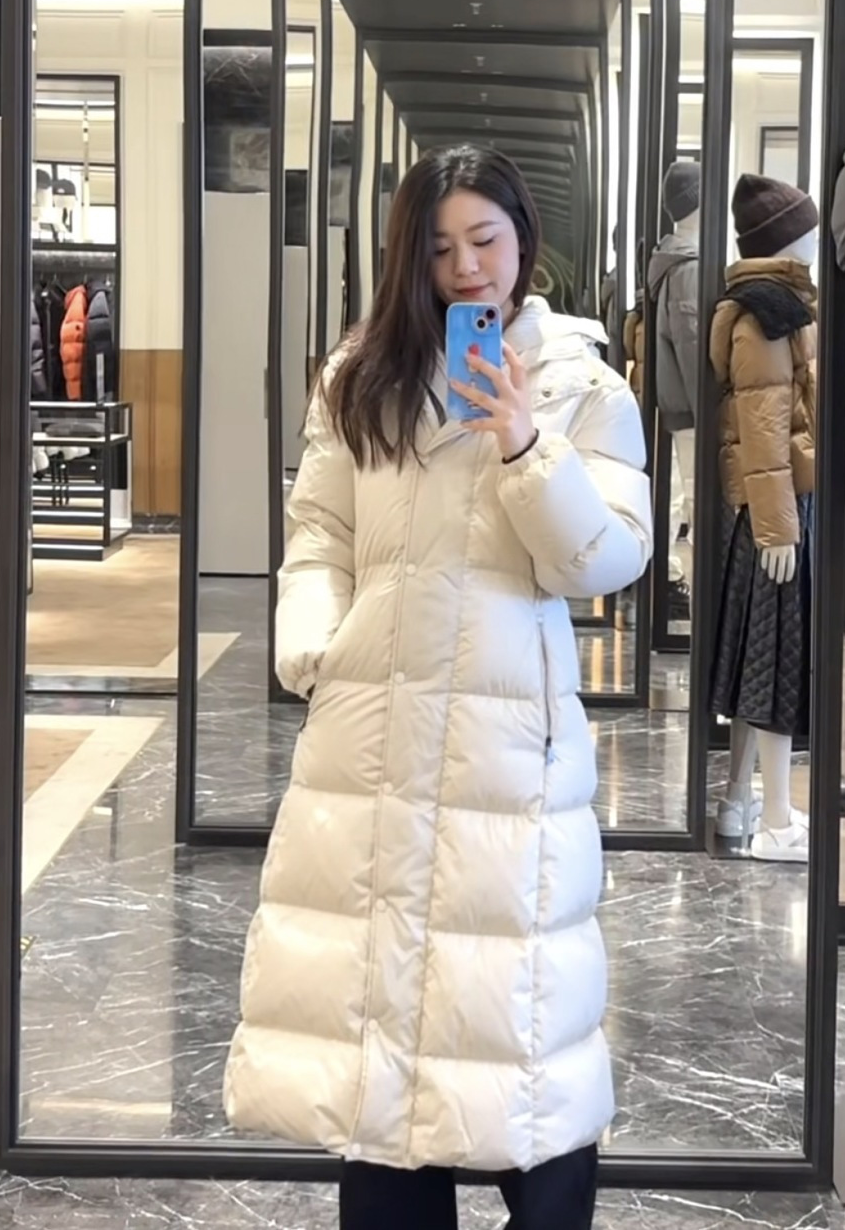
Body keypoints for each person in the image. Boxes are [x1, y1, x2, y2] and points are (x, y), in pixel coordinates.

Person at [223, 144, 654, 1230]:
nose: (466, 268)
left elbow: (606, 559)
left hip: (511, 753)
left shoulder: (584, 387)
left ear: (523, 242)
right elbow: (320, 530)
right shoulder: (360, 376)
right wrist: (316, 645)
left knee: (521, 1037)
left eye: (485, 240)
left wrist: (523, 442)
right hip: (371, 735)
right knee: (382, 1050)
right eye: (440, 247)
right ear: (407, 257)